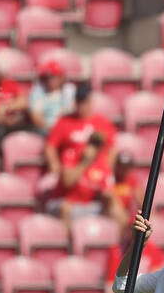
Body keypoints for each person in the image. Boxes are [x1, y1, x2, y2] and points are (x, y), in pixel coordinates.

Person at [43, 83, 118, 224]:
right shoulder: (65, 122)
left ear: (90, 102)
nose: (81, 106)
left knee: (114, 205)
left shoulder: (102, 123)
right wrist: (54, 165)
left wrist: (107, 169)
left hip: (95, 180)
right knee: (65, 208)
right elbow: (50, 146)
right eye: (79, 102)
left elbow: (112, 147)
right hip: (71, 176)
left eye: (84, 102)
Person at [28, 59, 76, 134]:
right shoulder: (38, 92)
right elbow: (36, 118)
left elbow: (75, 111)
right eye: (46, 77)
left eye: (53, 76)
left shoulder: (70, 89)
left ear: (61, 77)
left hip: (69, 129)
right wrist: (55, 133)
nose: (49, 80)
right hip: (47, 130)